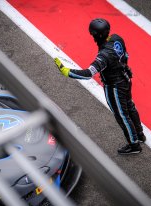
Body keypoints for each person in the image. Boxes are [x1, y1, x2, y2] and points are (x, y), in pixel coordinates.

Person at [54, 18, 146, 155]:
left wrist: (67, 72)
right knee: (130, 106)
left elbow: (87, 74)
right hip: (125, 78)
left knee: (122, 115)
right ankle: (140, 135)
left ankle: (134, 145)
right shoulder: (117, 39)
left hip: (114, 87)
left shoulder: (103, 56)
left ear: (94, 35)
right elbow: (125, 56)